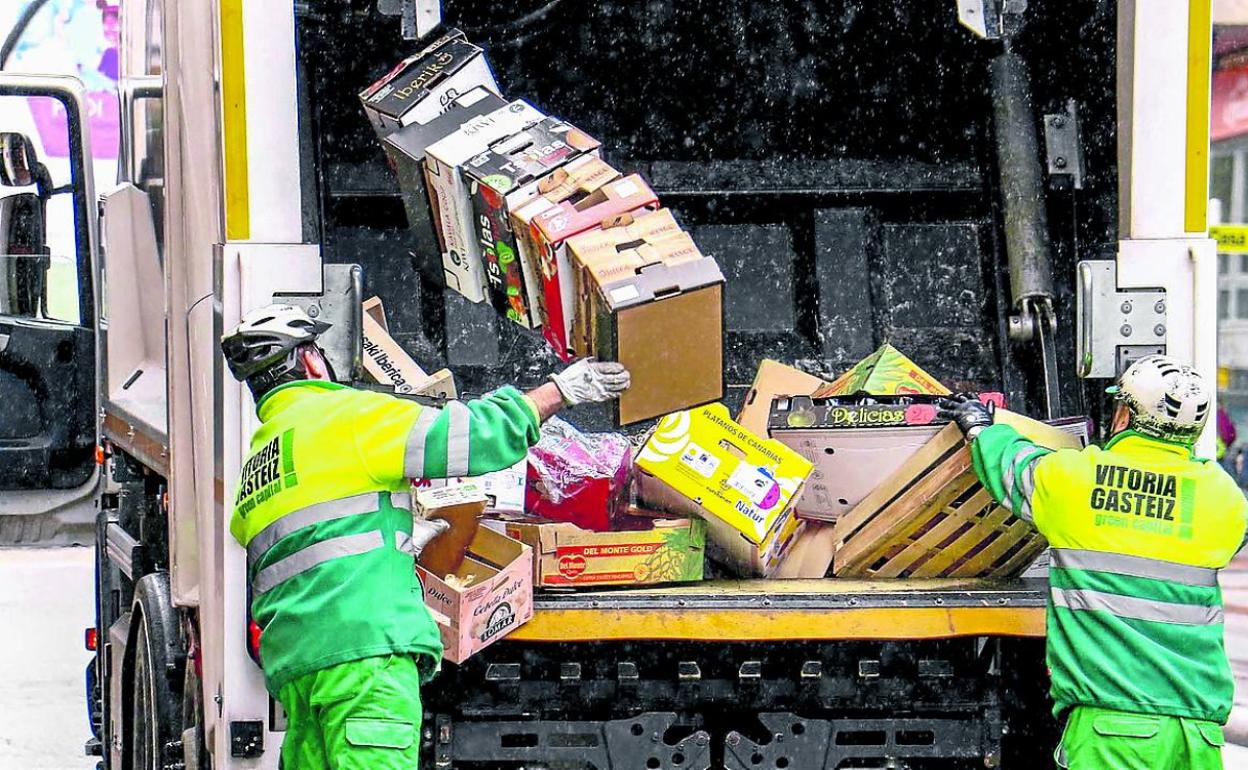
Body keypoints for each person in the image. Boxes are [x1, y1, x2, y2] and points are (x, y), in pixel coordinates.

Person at [220, 303, 629, 769]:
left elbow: (308, 547)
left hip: (298, 669)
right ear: (311, 361)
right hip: (367, 660)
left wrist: (394, 535)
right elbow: (474, 437)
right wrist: (560, 390)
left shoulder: (258, 466)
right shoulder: (346, 417)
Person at [940, 355, 1248, 770]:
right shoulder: (1222, 499)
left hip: (1112, 729)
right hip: (1197, 733)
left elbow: (1014, 466)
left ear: (1124, 415)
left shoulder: (1078, 480)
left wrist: (980, 426)